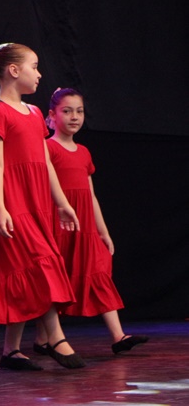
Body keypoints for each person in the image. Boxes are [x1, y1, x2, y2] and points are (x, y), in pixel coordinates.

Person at [0, 39, 86, 371]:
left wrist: (61, 203)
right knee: (39, 262)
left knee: (27, 266)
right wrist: (0, 208)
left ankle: (10, 350)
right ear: (13, 70)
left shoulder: (35, 113)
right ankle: (56, 338)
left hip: (36, 199)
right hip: (11, 198)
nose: (39, 74)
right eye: (34, 67)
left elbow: (44, 163)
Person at [33, 88, 149, 355]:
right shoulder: (48, 148)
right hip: (60, 225)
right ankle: (43, 338)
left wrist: (102, 231)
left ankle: (118, 336)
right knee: (56, 278)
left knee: (98, 271)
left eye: (79, 111)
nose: (74, 117)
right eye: (67, 111)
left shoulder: (84, 152)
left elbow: (90, 195)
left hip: (84, 226)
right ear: (52, 115)